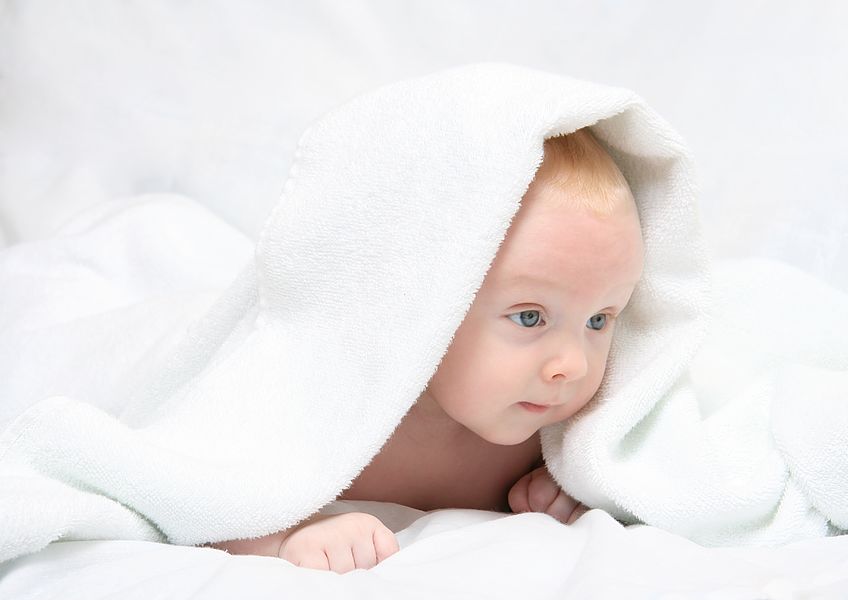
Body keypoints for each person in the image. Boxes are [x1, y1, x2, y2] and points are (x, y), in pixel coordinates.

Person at [210, 128, 644, 573]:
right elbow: (202, 482)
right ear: (423, 299)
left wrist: (578, 481)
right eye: (530, 317)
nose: (572, 365)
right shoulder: (328, 406)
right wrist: (288, 534)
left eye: (598, 319)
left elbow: (650, 467)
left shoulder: (552, 436)